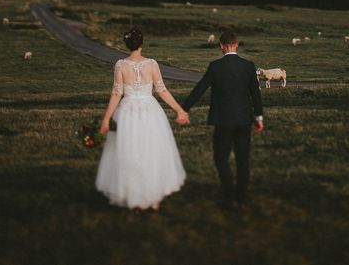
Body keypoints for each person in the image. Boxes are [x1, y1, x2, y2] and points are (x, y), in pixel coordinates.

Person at [95, 28, 188, 210]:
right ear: (142, 44)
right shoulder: (152, 64)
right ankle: (151, 197)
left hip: (127, 112)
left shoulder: (120, 65)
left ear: (127, 44)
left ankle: (133, 193)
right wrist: (180, 110)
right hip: (150, 111)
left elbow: (116, 94)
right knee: (151, 151)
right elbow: (162, 90)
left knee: (129, 152)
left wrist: (106, 119)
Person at [181, 30, 264, 209]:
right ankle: (241, 198)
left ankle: (229, 195)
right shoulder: (248, 66)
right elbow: (255, 94)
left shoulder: (215, 66)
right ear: (236, 45)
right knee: (243, 160)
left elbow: (200, 89)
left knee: (221, 158)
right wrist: (259, 116)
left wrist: (184, 109)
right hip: (243, 119)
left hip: (222, 119)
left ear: (221, 46)